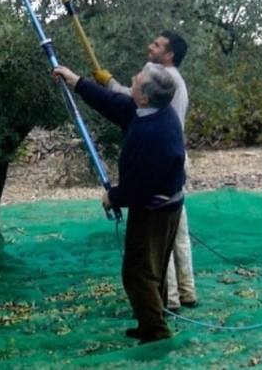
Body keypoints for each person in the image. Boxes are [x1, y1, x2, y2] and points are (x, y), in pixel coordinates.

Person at [54, 62, 185, 344]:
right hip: (162, 203)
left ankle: (156, 333)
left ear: (144, 97)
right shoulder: (147, 111)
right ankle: (151, 320)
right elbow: (112, 102)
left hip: (157, 210)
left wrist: (113, 196)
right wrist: (76, 81)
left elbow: (141, 184)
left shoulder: (155, 133)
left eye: (137, 81)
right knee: (153, 270)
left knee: (138, 273)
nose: (132, 80)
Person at [93, 31, 197, 313]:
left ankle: (169, 301)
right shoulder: (170, 79)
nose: (150, 47)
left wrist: (110, 83)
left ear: (169, 54)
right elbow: (134, 99)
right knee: (177, 235)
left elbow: (134, 99)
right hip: (174, 161)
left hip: (164, 162)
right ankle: (185, 293)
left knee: (157, 242)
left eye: (156, 45)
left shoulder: (164, 81)